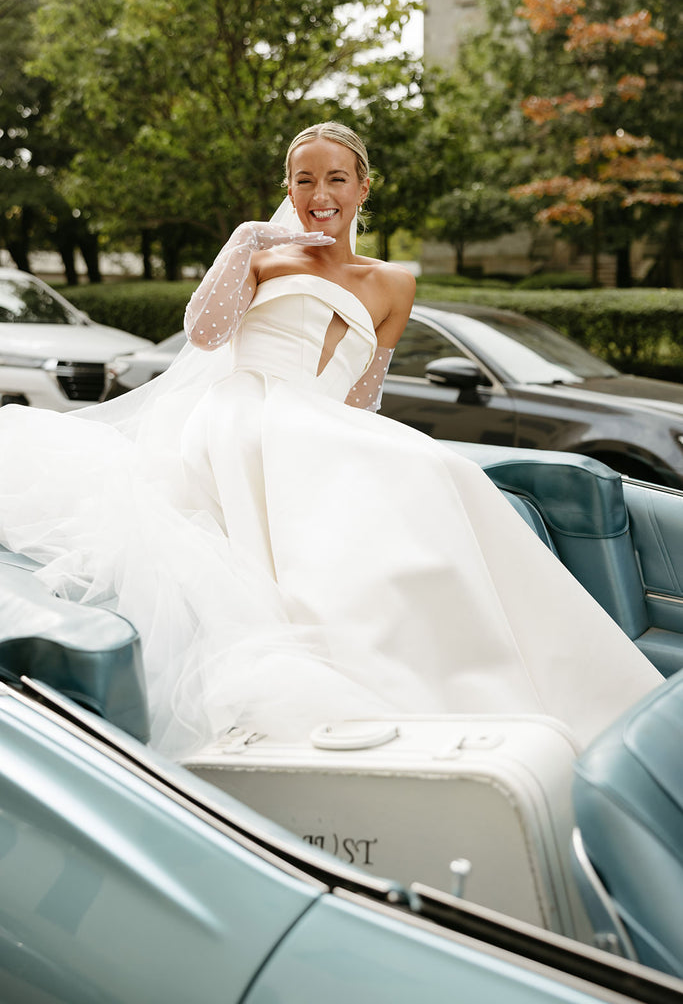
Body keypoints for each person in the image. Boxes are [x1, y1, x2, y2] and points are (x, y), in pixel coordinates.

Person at [0, 122, 661, 759]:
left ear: (363, 187)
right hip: (245, 410)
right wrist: (243, 240)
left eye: (336, 179)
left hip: (320, 423)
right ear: (287, 188)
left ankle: (515, 676)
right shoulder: (264, 258)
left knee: (443, 469)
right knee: (409, 464)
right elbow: (204, 334)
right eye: (304, 180)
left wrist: (362, 437)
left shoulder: (395, 282)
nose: (320, 195)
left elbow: (362, 397)